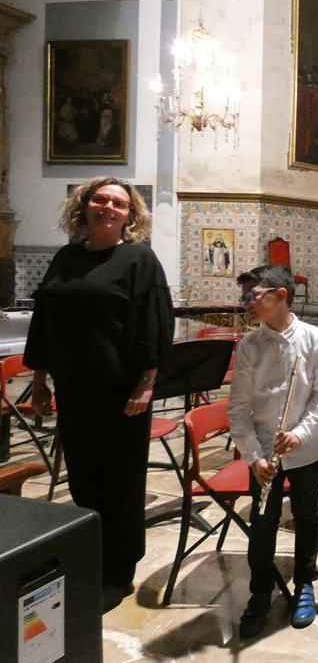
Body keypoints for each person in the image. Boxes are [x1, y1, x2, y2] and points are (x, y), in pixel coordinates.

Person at [24, 176, 174, 612]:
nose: (108, 207)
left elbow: (154, 324)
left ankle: (118, 572)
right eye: (100, 199)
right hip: (74, 390)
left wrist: (146, 382)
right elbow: (44, 320)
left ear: (130, 215)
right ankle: (90, 556)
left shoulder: (139, 259)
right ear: (84, 206)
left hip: (121, 393)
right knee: (84, 478)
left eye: (118, 204)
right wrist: (39, 379)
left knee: (120, 484)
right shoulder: (66, 257)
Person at [228, 265, 318, 639]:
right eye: (244, 296)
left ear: (280, 296)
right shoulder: (250, 346)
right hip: (264, 453)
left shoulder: (313, 338)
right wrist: (253, 457)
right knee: (262, 523)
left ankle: (305, 582)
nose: (246, 303)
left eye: (252, 295)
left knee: (307, 515)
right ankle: (260, 593)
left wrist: (300, 434)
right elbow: (238, 410)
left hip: (305, 449)